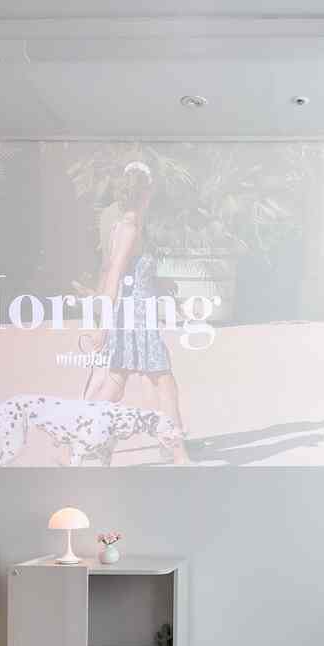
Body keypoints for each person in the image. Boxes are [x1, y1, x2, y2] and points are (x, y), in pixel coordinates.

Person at [87, 161, 189, 465]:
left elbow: (129, 274)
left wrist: (160, 283)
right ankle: (179, 454)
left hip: (134, 316)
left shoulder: (126, 225)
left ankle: (77, 442)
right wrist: (103, 327)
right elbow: (114, 276)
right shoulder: (130, 228)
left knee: (114, 384)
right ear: (147, 192)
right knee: (164, 383)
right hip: (137, 320)